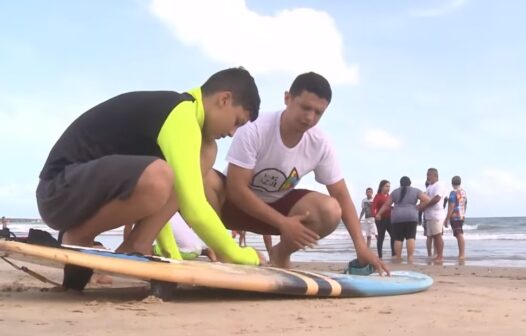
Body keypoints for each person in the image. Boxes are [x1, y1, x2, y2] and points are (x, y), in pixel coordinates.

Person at [36, 67, 265, 279]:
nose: (234, 133)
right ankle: (79, 236)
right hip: (58, 190)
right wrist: (241, 255)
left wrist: (171, 254)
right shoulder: (180, 114)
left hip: (85, 192)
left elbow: (170, 200)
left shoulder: (190, 127)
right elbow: (194, 209)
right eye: (237, 121)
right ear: (224, 99)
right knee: (160, 176)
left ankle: (137, 245)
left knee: (195, 160)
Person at [205, 72, 388, 273]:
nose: (310, 117)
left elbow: (342, 196)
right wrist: (282, 223)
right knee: (203, 178)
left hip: (279, 211)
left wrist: (361, 248)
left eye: (318, 113)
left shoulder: (320, 143)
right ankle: (220, 248)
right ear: (287, 98)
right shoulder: (255, 128)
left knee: (331, 209)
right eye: (305, 107)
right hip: (231, 208)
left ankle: (280, 254)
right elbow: (236, 190)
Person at [376, 177, 429, 262]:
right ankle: (410, 257)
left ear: (400, 183)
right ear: (410, 183)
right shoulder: (416, 191)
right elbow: (427, 200)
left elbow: (386, 205)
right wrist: (418, 207)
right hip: (411, 215)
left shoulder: (395, 192)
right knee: (410, 237)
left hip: (397, 217)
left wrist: (379, 214)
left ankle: (398, 257)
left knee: (398, 238)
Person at [419, 168, 447, 262]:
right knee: (432, 236)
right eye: (427, 175)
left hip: (436, 215)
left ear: (435, 175)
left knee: (438, 235)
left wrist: (424, 206)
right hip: (429, 215)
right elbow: (425, 199)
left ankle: (440, 256)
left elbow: (437, 198)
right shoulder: (430, 186)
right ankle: (435, 255)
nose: (427, 177)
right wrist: (420, 207)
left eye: (429, 175)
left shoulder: (439, 185)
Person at [444, 175, 468, 260]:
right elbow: (465, 204)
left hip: (455, 216)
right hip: (461, 215)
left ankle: (462, 254)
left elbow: (451, 205)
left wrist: (447, 218)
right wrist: (464, 213)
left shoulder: (453, 193)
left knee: (459, 234)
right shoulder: (463, 192)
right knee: (459, 234)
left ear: (452, 183)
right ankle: (461, 253)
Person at [372, 180, 395, 259]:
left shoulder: (390, 197)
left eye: (389, 186)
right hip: (381, 220)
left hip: (389, 219)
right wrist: (375, 215)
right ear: (381, 187)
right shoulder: (378, 196)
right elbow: (373, 208)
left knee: (393, 236)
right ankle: (380, 256)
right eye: (386, 186)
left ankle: (394, 254)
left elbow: (390, 207)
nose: (388, 188)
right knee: (381, 237)